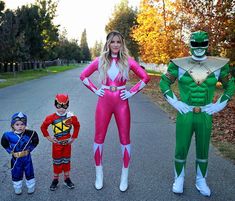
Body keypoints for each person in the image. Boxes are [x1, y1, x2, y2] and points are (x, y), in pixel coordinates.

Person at [159, 31, 235, 197]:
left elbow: (231, 84)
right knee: (181, 147)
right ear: (190, 44)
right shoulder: (178, 64)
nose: (199, 48)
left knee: (203, 149)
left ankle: (201, 180)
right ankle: (178, 178)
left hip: (206, 112)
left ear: (207, 44)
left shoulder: (219, 65)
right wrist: (175, 102)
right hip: (186, 111)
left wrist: (220, 104)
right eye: (196, 44)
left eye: (203, 44)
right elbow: (164, 82)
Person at [80, 30, 150, 192]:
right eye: (113, 42)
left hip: (122, 103)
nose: (116, 45)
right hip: (104, 102)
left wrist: (131, 92)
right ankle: (99, 174)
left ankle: (124, 176)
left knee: (125, 139)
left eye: (118, 42)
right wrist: (96, 90)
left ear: (122, 44)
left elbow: (145, 78)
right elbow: (83, 76)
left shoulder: (128, 61)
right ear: (108, 44)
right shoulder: (100, 60)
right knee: (99, 138)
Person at [40, 94, 80, 191]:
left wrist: (73, 137)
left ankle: (67, 179)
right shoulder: (51, 117)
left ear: (67, 106)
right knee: (57, 162)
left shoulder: (71, 117)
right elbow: (43, 127)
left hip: (67, 144)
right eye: (59, 106)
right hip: (57, 144)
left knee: (66, 161)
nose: (61, 109)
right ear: (55, 105)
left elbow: (77, 126)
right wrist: (49, 138)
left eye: (64, 106)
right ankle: (55, 179)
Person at [1, 112, 39, 195]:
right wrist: (9, 150)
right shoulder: (7, 135)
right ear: (12, 125)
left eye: (22, 124)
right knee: (16, 172)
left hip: (27, 157)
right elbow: (4, 143)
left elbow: (35, 141)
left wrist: (30, 149)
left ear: (25, 125)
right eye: (17, 124)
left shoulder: (31, 133)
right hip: (16, 158)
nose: (20, 126)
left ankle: (31, 186)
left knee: (29, 171)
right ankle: (17, 187)